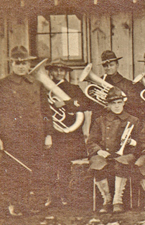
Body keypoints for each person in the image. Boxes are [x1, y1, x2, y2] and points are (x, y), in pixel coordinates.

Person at [0, 46, 53, 216]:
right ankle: (15, 204)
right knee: (15, 171)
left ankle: (33, 204)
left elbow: (45, 111)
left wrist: (48, 134)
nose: (22, 66)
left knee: (35, 170)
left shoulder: (37, 84)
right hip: (12, 137)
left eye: (25, 63)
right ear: (12, 64)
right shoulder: (2, 85)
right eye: (18, 63)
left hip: (35, 135)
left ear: (29, 63)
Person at [45, 59, 97, 208]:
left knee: (64, 164)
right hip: (51, 132)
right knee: (50, 164)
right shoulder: (44, 90)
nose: (59, 73)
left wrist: (66, 103)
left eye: (62, 70)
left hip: (68, 134)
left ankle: (63, 195)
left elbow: (86, 104)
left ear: (66, 72)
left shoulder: (73, 88)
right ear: (51, 72)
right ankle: (50, 195)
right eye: (55, 70)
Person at [87, 87, 141, 214]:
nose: (117, 106)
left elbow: (141, 141)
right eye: (113, 103)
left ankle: (118, 200)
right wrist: (99, 151)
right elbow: (91, 141)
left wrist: (131, 142)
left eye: (119, 102)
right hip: (104, 153)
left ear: (123, 103)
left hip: (125, 154)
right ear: (108, 105)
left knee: (121, 163)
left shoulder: (133, 120)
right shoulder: (100, 120)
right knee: (96, 163)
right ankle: (107, 199)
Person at [100, 50, 143, 118]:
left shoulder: (127, 84)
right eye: (105, 66)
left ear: (117, 65)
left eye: (111, 65)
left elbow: (133, 105)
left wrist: (112, 106)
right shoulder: (99, 82)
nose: (108, 68)